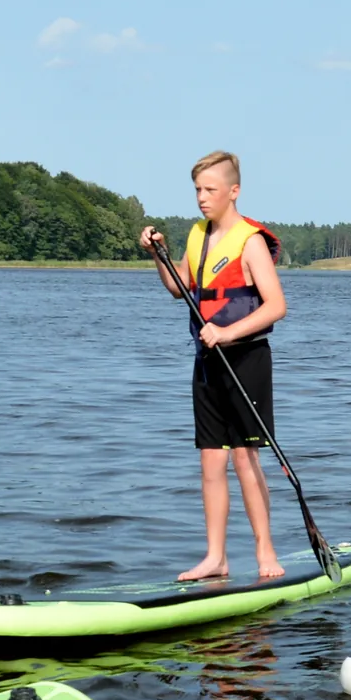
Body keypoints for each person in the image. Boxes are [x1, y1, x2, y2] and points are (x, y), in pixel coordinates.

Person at [138, 151, 290, 582]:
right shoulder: (197, 235)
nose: (202, 199)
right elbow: (178, 287)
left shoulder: (250, 240)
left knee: (245, 457)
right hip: (208, 361)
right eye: (197, 191)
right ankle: (215, 558)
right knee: (210, 462)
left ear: (233, 191)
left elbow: (276, 306)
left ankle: (266, 551)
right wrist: (158, 253)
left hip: (246, 359)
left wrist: (227, 333)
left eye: (210, 190)